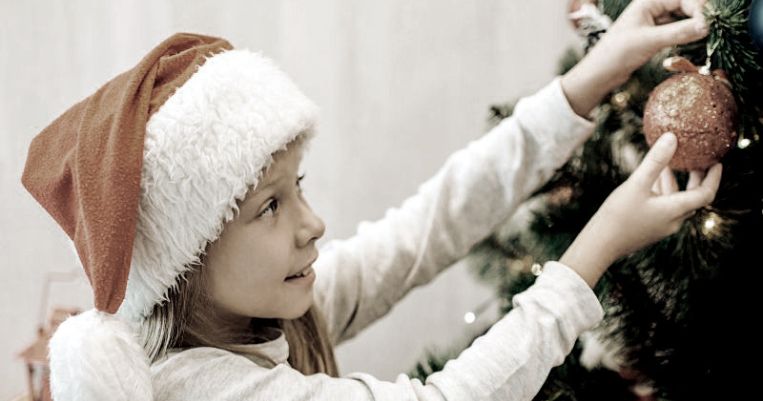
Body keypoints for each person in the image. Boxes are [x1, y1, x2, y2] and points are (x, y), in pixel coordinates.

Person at [21, 0, 721, 400]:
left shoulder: (257, 309)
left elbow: (430, 226)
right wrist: (595, 246)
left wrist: (591, 78)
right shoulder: (207, 389)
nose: (311, 224)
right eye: (269, 206)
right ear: (186, 253)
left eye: (299, 188)